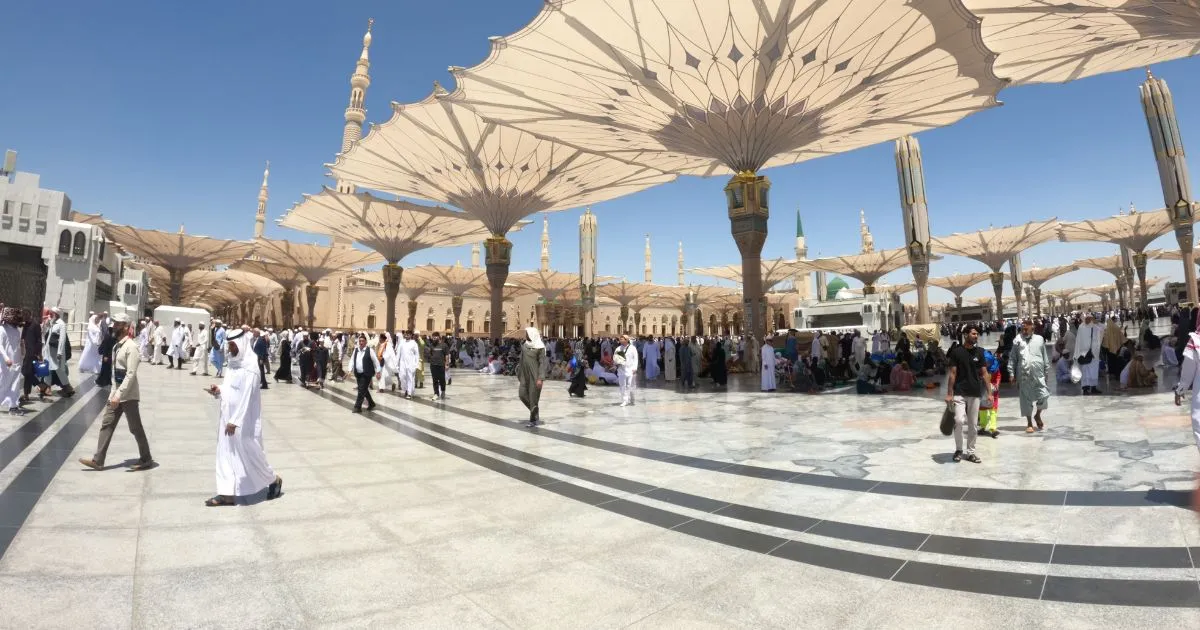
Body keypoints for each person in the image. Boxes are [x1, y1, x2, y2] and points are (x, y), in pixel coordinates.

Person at [204, 327, 282, 506]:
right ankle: (227, 494)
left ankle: (273, 479)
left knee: (249, 453)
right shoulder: (233, 363)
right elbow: (230, 388)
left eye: (233, 345)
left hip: (242, 421)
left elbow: (246, 397)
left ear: (241, 343)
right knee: (225, 452)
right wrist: (219, 390)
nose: (230, 349)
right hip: (227, 417)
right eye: (229, 345)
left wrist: (235, 421)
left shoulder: (251, 367)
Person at [79, 314, 153, 471]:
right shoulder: (116, 346)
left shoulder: (131, 347)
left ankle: (146, 458)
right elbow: (115, 373)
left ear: (125, 327)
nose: (114, 327)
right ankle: (98, 460)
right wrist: (113, 393)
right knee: (107, 424)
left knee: (135, 428)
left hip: (128, 396)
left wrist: (119, 394)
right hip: (116, 393)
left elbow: (131, 374)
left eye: (117, 324)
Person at [945, 324, 989, 464]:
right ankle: (959, 449)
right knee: (958, 420)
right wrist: (949, 393)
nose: (976, 336)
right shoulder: (957, 352)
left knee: (973, 424)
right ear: (965, 335)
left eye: (977, 334)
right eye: (973, 334)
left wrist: (989, 392)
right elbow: (952, 373)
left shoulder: (980, 352)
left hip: (974, 392)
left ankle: (971, 452)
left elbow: (984, 373)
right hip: (959, 391)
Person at [1010, 318, 1052, 433]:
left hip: (1038, 374)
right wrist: (1011, 373)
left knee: (1044, 395)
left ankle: (1037, 415)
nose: (1024, 331)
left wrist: (1046, 371)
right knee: (1026, 399)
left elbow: (1044, 356)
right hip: (1023, 375)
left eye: (1026, 329)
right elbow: (1012, 358)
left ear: (1032, 328)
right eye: (1022, 329)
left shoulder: (1039, 339)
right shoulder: (1017, 341)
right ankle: (1029, 422)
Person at [518, 327, 548, 427]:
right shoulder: (525, 345)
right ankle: (534, 409)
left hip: (535, 375)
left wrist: (540, 378)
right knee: (522, 394)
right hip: (524, 375)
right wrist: (519, 372)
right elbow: (521, 360)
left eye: (527, 333)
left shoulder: (540, 348)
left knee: (533, 396)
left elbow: (542, 363)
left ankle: (533, 420)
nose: (525, 335)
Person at [43, 308, 75, 397]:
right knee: (48, 369)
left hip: (56, 352)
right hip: (48, 351)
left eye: (51, 313)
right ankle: (47, 388)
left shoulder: (61, 324)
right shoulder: (52, 323)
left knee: (59, 370)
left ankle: (68, 387)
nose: (50, 314)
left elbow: (62, 339)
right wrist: (46, 325)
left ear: (56, 314)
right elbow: (46, 335)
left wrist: (60, 352)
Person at [0, 308, 24, 415]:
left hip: (17, 362)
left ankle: (13, 406)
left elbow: (17, 345)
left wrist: (23, 353)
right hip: (6, 363)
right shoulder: (2, 329)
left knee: (15, 384)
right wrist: (6, 358)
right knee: (3, 384)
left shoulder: (16, 330)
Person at [1074, 313, 1103, 395]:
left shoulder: (1095, 327)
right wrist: (1076, 353)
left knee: (1094, 371)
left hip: (1094, 353)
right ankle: (1085, 389)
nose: (1088, 320)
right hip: (1084, 353)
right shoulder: (1081, 327)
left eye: (1090, 319)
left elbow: (1102, 329)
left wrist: (1096, 322)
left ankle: (1093, 387)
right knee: (1085, 371)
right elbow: (1078, 340)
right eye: (1087, 319)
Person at [349, 334, 379, 413]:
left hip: (367, 374)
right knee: (363, 389)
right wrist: (349, 370)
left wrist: (378, 371)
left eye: (363, 341)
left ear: (366, 342)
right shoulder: (356, 350)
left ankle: (357, 407)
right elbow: (352, 360)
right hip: (358, 373)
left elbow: (376, 361)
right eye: (360, 341)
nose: (361, 342)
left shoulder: (370, 350)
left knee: (361, 390)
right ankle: (371, 403)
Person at [614, 334, 638, 407]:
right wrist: (617, 362)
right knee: (622, 385)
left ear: (626, 340)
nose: (620, 340)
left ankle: (632, 398)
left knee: (630, 385)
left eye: (622, 339)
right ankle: (625, 400)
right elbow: (615, 358)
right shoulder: (618, 349)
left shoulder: (632, 348)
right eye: (620, 339)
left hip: (630, 369)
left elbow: (635, 359)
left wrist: (634, 368)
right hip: (621, 370)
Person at [426, 332, 449, 401]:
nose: (434, 338)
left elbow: (447, 355)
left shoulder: (444, 345)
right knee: (435, 380)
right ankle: (436, 393)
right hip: (433, 365)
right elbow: (430, 354)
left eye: (436, 336)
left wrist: (447, 364)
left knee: (442, 380)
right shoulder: (431, 345)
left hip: (441, 365)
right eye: (433, 336)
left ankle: (443, 391)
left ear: (439, 337)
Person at [95, 317, 117, 388]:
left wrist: (105, 356)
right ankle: (107, 381)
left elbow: (106, 346)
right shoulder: (112, 336)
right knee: (108, 369)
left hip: (107, 356)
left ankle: (103, 381)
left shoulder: (109, 336)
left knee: (105, 369)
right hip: (110, 356)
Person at [397, 331, 419, 399]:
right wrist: (397, 363)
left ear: (411, 335)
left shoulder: (414, 343)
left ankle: (409, 392)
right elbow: (398, 353)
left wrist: (416, 364)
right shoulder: (402, 342)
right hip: (402, 363)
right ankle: (406, 389)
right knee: (402, 377)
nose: (407, 336)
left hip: (411, 363)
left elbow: (417, 354)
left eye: (408, 335)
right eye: (406, 334)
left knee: (410, 378)